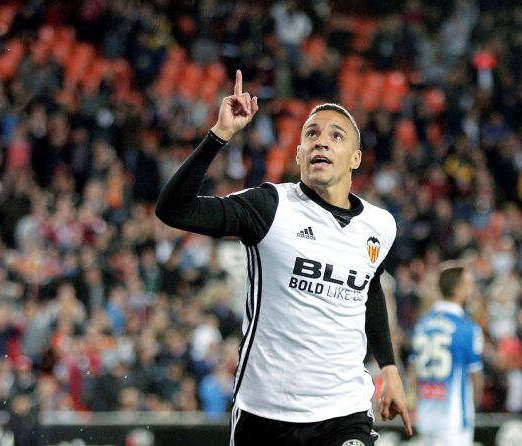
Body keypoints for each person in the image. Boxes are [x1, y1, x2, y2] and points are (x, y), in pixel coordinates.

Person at [155, 70, 412, 445]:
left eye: (335, 135)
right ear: (299, 153)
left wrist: (390, 370)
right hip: (265, 415)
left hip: (344, 413)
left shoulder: (380, 225)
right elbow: (173, 210)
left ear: (355, 158)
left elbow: (367, 290)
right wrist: (219, 137)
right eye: (311, 134)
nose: (320, 141)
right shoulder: (269, 206)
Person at [409, 263, 483, 446]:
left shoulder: (423, 324)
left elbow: (413, 371)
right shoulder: (467, 328)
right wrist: (472, 410)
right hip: (454, 419)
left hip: (426, 415)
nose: (472, 288)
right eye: (469, 283)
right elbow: (476, 377)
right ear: (458, 290)